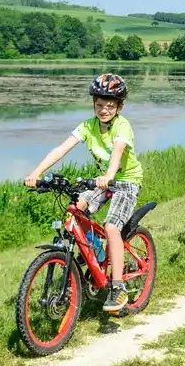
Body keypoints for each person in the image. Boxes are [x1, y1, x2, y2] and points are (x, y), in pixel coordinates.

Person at [24, 73, 143, 314]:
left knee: (111, 227)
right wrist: (36, 173)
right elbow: (61, 149)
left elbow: (118, 152)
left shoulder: (122, 126)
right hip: (101, 182)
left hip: (126, 181)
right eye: (99, 105)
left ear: (120, 106)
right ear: (93, 104)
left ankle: (118, 286)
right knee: (76, 209)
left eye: (110, 106)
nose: (103, 110)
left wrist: (109, 176)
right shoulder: (88, 126)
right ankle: (97, 255)